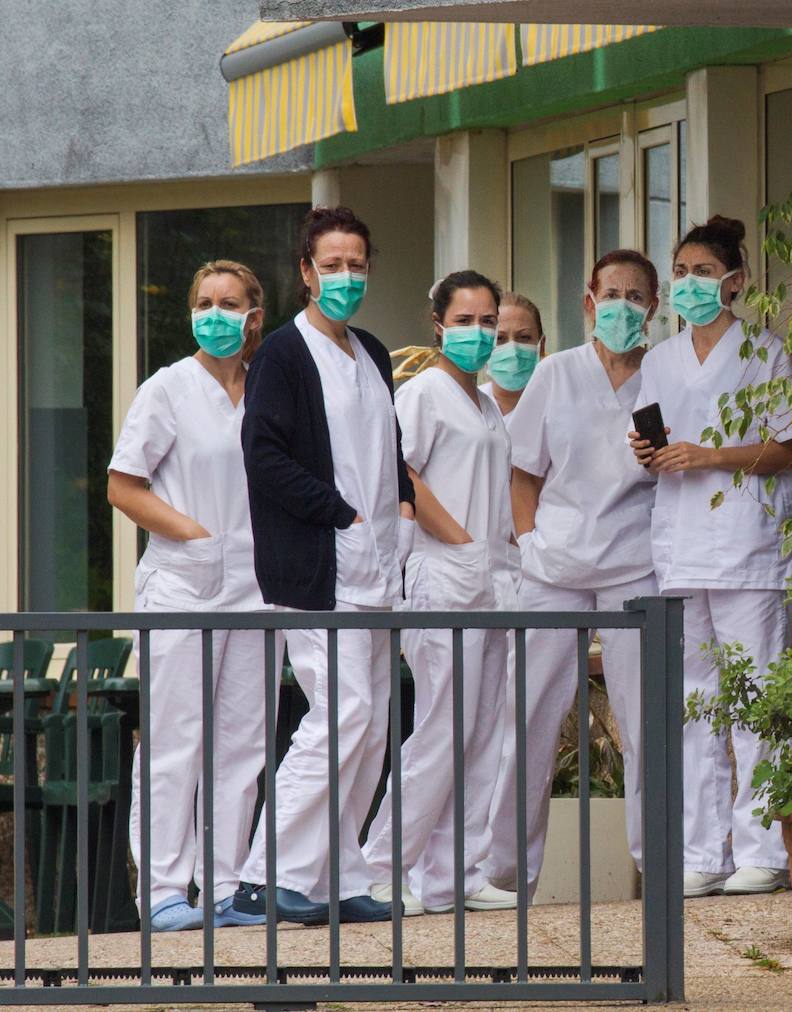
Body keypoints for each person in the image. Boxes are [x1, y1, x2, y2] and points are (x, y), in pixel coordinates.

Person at [232, 206, 416, 925]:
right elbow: (264, 455)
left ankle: (334, 879)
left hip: (374, 570)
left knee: (370, 729)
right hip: (316, 570)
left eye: (356, 264)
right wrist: (335, 511)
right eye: (330, 265)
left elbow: (387, 446)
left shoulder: (370, 351)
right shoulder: (283, 352)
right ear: (305, 272)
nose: (345, 276)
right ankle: (259, 876)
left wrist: (397, 504)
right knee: (344, 715)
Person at [629, 215, 792, 898]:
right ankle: (703, 852)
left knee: (756, 696)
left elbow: (791, 448)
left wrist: (711, 456)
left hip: (747, 545)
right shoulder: (660, 360)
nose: (688, 284)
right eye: (680, 273)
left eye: (702, 273)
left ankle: (765, 849)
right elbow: (651, 443)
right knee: (697, 701)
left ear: (734, 282)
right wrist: (648, 451)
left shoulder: (767, 354)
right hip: (681, 543)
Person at [484, 251, 660, 900]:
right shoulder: (554, 375)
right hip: (553, 566)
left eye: (635, 296)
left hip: (635, 567)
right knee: (529, 713)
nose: (621, 306)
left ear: (654, 307)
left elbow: (677, 470)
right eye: (610, 293)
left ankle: (657, 864)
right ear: (588, 301)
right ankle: (507, 873)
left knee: (646, 720)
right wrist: (529, 546)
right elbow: (522, 474)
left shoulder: (663, 378)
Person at [109, 260, 278, 932]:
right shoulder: (167, 390)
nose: (215, 313)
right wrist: (196, 535)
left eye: (229, 302)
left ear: (254, 315)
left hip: (253, 586)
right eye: (203, 302)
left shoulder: (267, 389)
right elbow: (124, 485)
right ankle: (162, 890)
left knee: (243, 742)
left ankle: (226, 886)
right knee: (176, 739)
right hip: (184, 580)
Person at [363, 271, 519, 915]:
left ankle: (454, 872)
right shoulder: (423, 393)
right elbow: (402, 473)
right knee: (439, 729)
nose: (480, 334)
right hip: (442, 577)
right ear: (438, 325)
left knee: (481, 729)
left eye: (489, 323)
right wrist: (458, 540)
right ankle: (380, 865)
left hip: (486, 581)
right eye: (467, 322)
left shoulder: (483, 402)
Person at [480, 291, 546, 418]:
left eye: (524, 337)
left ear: (541, 345)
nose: (513, 350)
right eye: (499, 338)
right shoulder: (466, 407)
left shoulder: (560, 407)